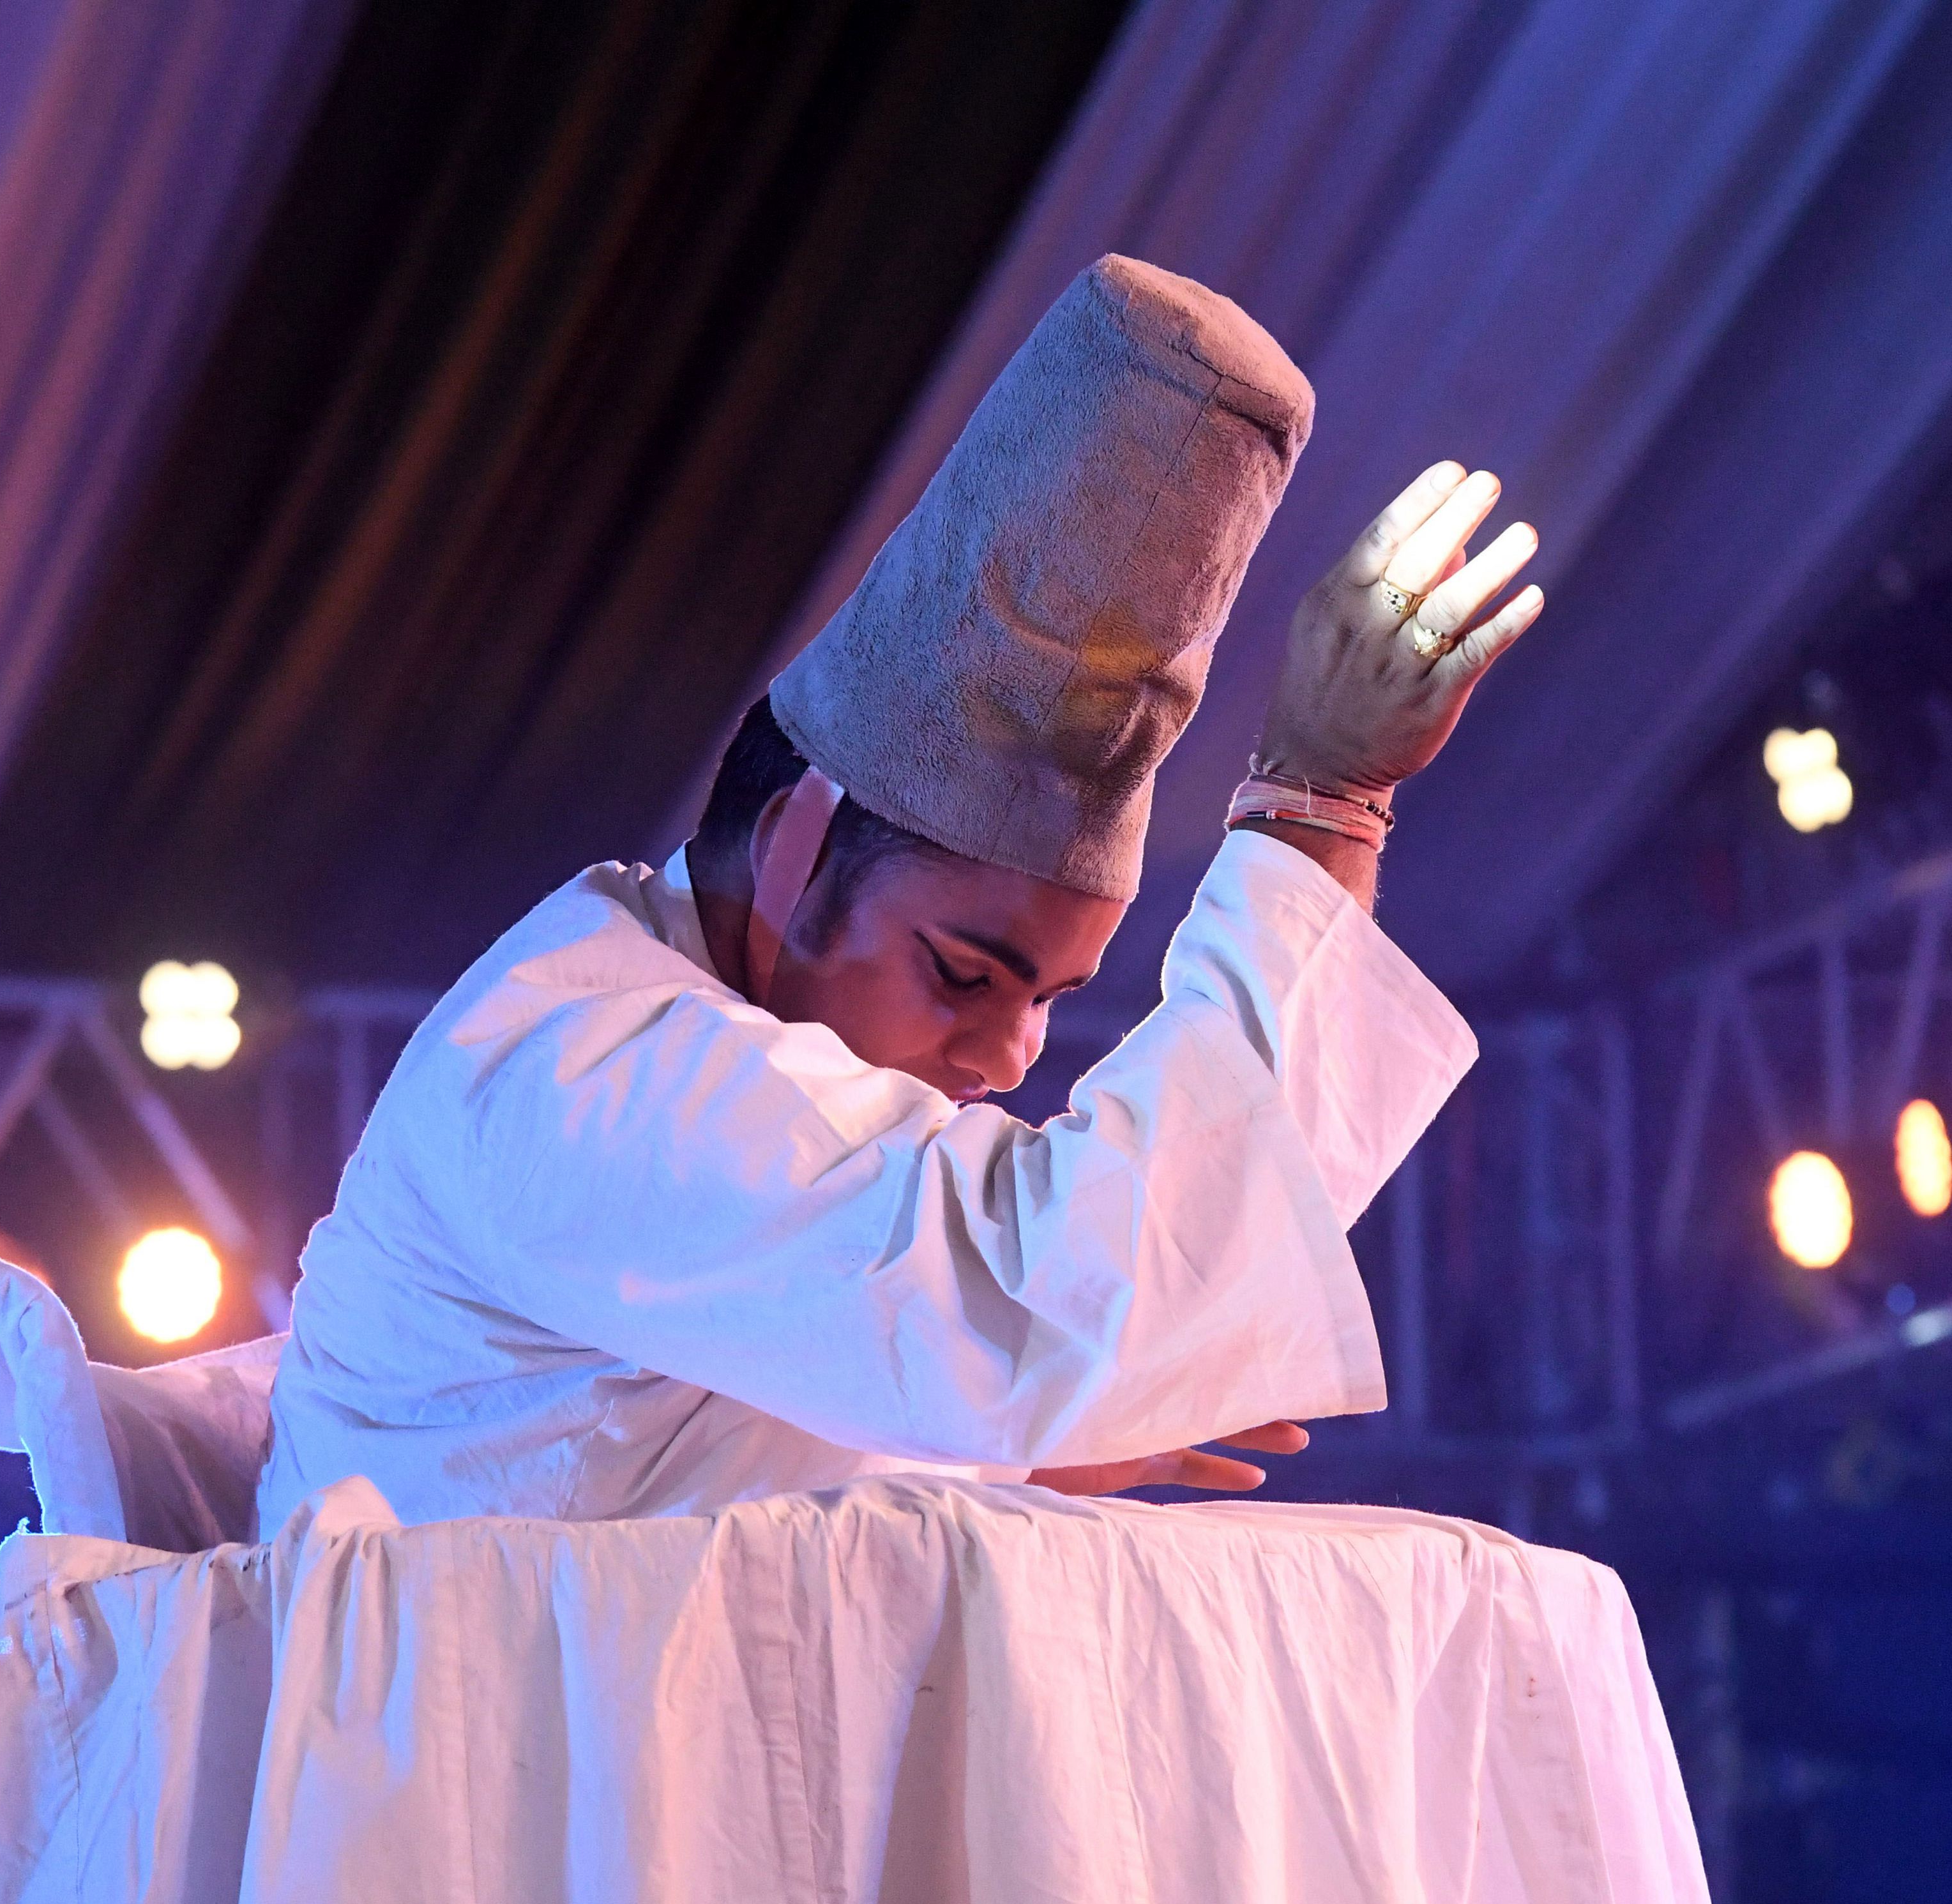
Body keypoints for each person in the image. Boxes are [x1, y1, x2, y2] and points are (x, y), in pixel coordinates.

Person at [255, 255, 1544, 1530]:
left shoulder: (666, 1046)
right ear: (794, 844)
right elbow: (1058, 1306)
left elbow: (702, 1441)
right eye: (965, 973)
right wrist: (1321, 800)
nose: (1010, 1056)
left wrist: (984, 1449)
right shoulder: (586, 1069)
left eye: (1050, 999)